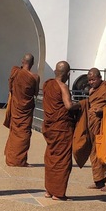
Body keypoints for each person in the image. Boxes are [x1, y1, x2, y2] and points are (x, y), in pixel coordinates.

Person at [41, 60, 78, 200]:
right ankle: (57, 193)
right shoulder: (63, 86)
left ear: (55, 72)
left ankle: (49, 191)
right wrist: (81, 104)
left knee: (51, 157)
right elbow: (68, 106)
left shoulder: (48, 85)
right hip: (62, 128)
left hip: (51, 127)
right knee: (62, 160)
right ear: (68, 74)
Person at [80, 67, 106, 192]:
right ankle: (98, 181)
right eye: (89, 80)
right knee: (95, 151)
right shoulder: (91, 91)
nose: (91, 82)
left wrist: (104, 110)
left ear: (99, 78)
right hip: (94, 124)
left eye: (93, 79)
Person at [3, 53, 40, 167]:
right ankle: (19, 160)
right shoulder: (35, 77)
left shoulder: (15, 72)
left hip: (16, 108)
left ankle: (11, 158)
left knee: (15, 132)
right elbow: (35, 93)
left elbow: (11, 88)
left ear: (22, 61)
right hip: (26, 110)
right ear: (33, 63)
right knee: (24, 134)